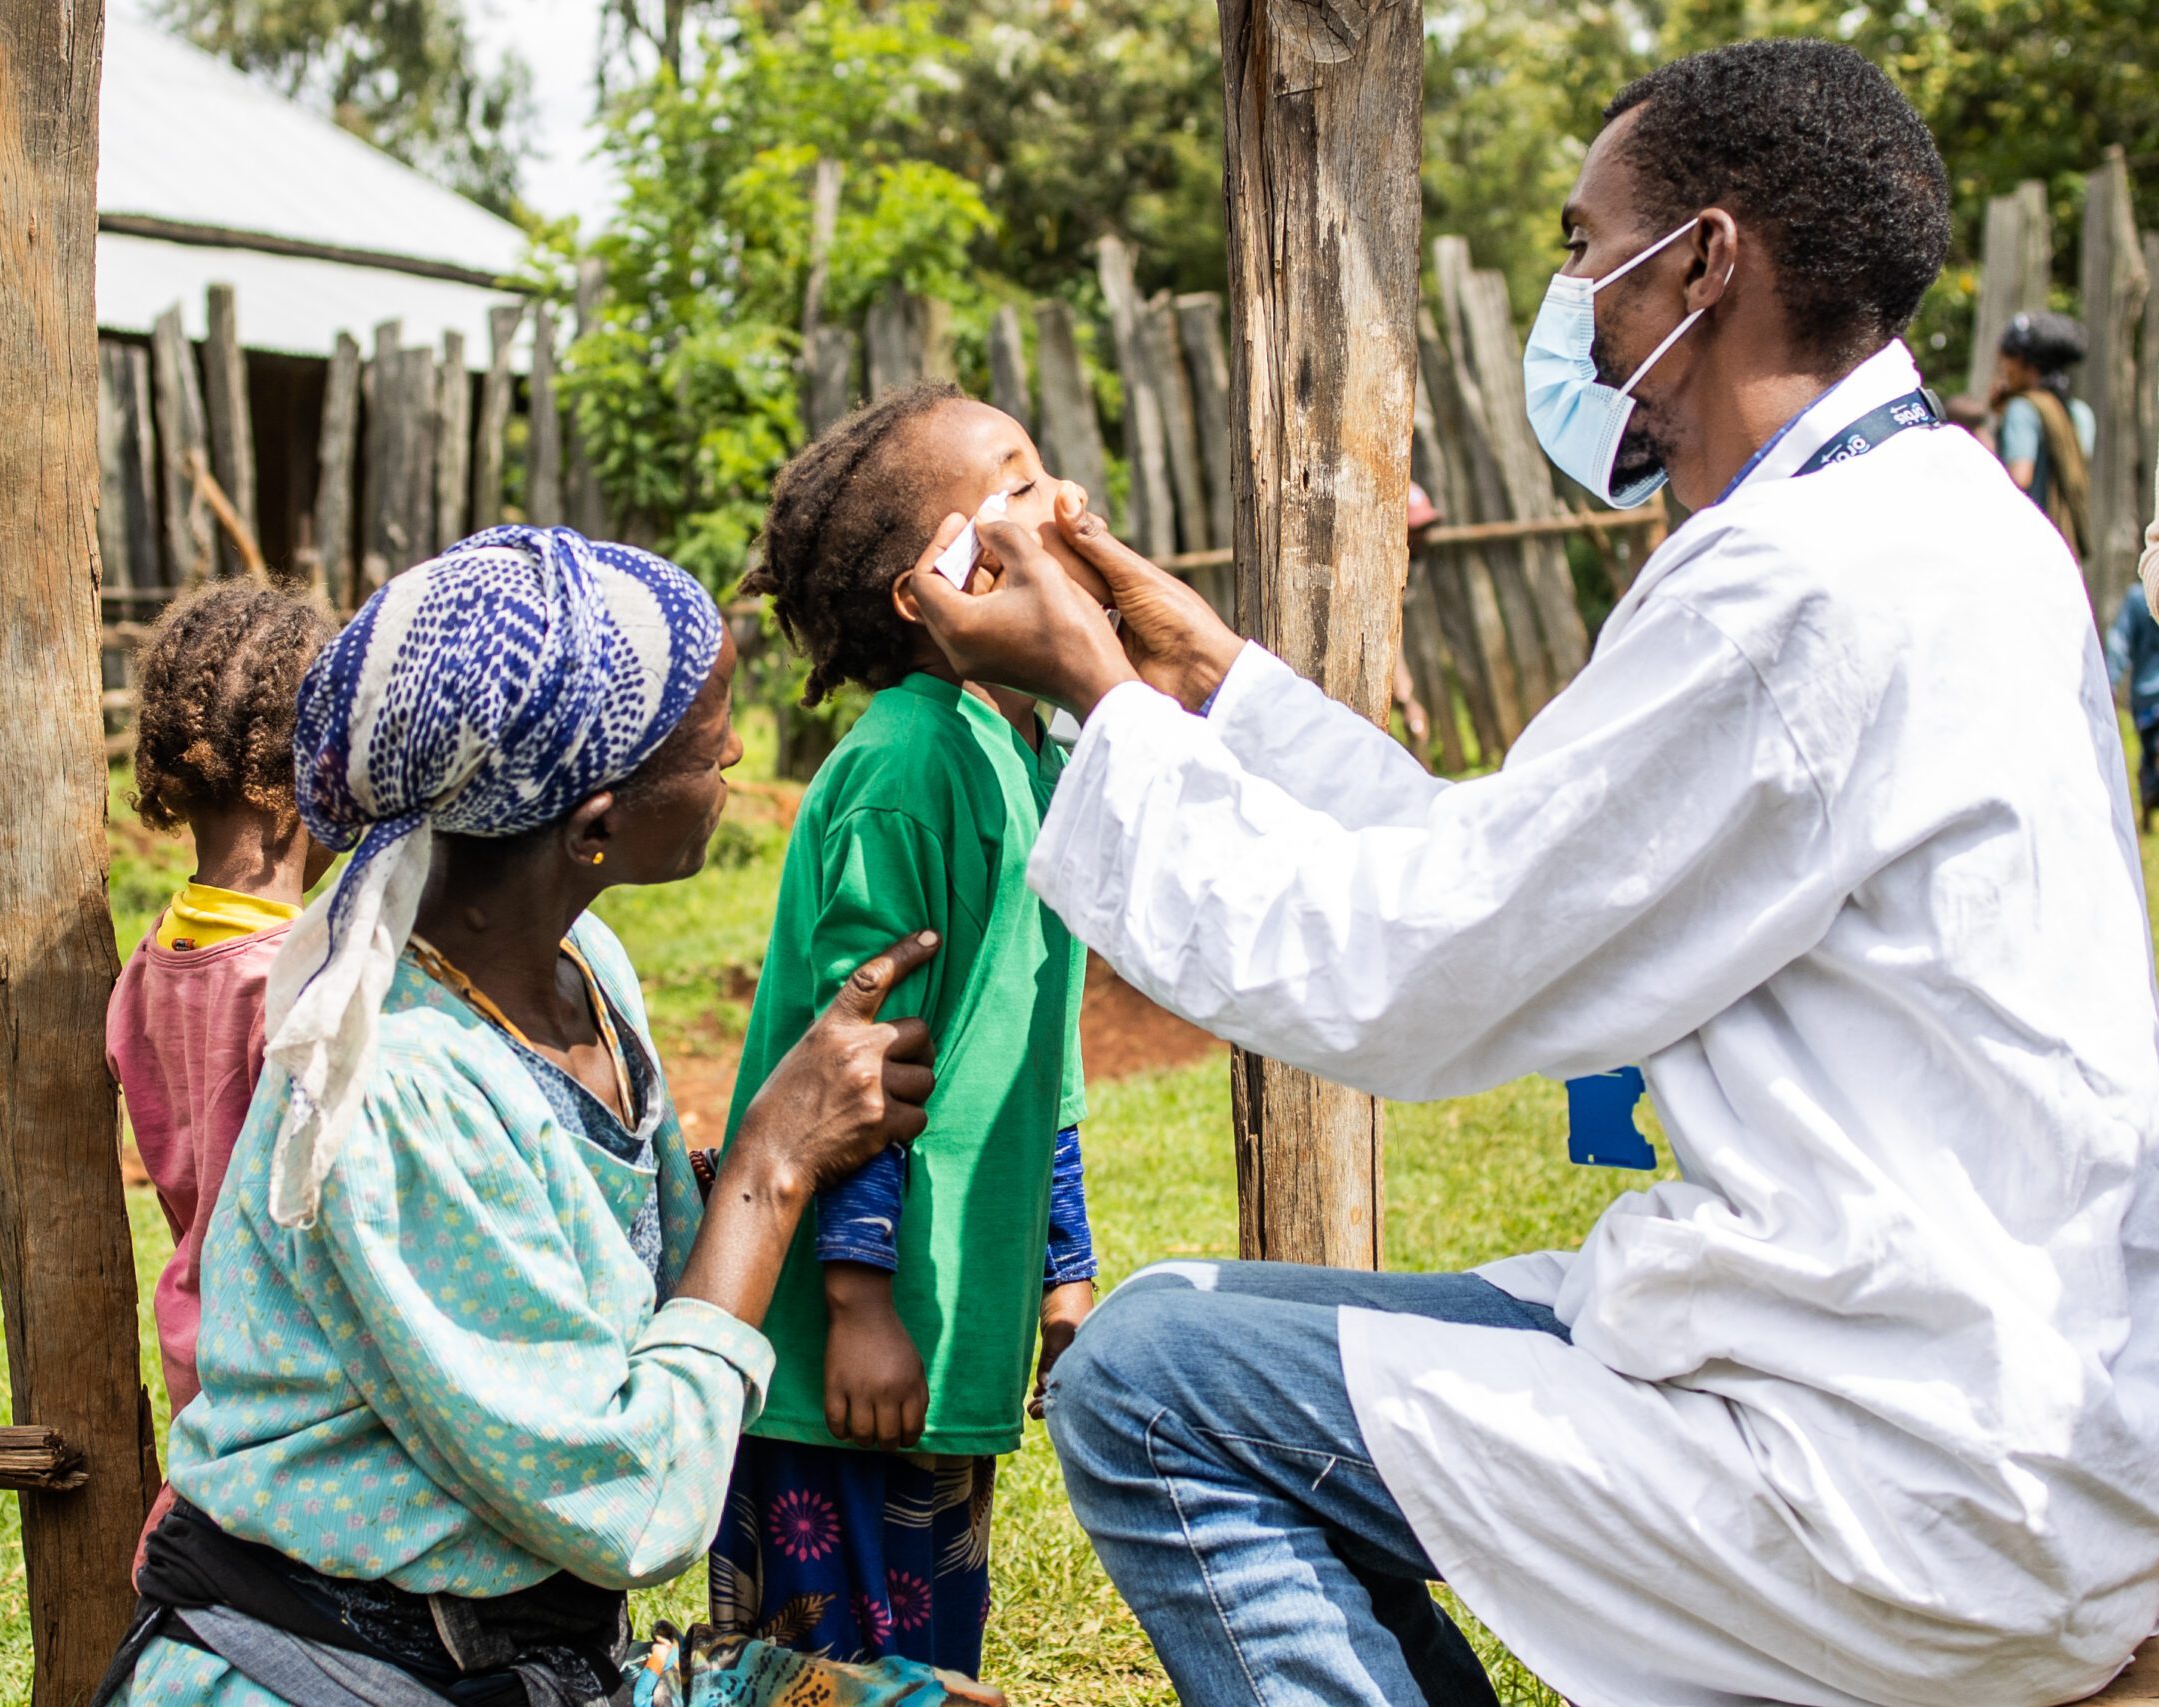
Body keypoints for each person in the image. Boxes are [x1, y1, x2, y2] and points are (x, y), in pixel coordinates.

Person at [906, 39, 2159, 1707]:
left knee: (1149, 1386)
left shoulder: (1792, 590)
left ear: (1705, 263)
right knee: (1207, 1333)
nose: (1571, 300)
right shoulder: (1944, 521)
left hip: (1895, 1461)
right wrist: (1210, 681)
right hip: (1998, 1384)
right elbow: (1509, 864)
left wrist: (1094, 691)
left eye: (1585, 246)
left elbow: (1413, 974)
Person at [97, 527, 945, 1706]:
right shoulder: (396, 1081)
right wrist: (769, 1164)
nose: (736, 752)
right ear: (593, 825)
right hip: (340, 1666)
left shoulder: (584, 968)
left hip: (508, 1652)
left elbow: (593, 1272)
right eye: (707, 736)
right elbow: (633, 1506)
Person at [704, 387, 1097, 1674]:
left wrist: (1062, 1269)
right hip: (851, 1353)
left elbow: (1037, 1058)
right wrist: (859, 1301)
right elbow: (859, 1057)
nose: (1063, 500)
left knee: (929, 1661)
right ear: (929, 585)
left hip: (952, 1315)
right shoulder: (908, 765)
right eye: (1015, 482)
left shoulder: (1029, 755)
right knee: (824, 1680)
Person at [108, 584, 335, 1495]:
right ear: (324, 765)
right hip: (299, 1377)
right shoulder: (298, 986)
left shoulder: (148, 965)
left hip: (201, 1343)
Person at [1993, 308, 2095, 555]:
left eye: (2008, 358)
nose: (2004, 367)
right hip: (2063, 545)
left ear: (2027, 364)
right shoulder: (2081, 413)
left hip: (2027, 544)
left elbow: (2020, 478)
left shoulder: (2022, 409)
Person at [2109, 578, 2159, 831]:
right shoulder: (2138, 598)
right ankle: (2150, 789)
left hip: (2145, 698)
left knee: (2150, 754)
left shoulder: (2137, 598)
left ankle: (2149, 790)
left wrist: (2111, 680)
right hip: (2148, 698)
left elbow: (2118, 641)